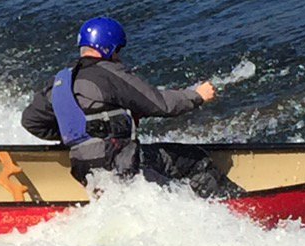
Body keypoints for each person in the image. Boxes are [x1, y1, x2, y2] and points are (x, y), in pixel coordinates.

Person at [21, 16, 238, 197]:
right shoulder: (108, 73)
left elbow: (31, 121)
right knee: (195, 160)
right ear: (109, 49)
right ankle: (237, 204)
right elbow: (160, 104)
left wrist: (79, 134)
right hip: (121, 163)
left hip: (83, 170)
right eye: (118, 51)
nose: (118, 57)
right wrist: (197, 96)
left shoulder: (58, 82)